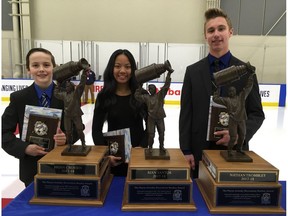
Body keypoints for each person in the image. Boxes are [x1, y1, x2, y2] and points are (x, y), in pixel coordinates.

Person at [179, 8, 265, 178]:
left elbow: (256, 113)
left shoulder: (246, 72)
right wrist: (186, 149)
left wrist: (239, 134)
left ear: (230, 32)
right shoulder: (192, 72)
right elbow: (186, 114)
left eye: (221, 29)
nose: (216, 34)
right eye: (211, 30)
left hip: (233, 153)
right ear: (205, 36)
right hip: (198, 152)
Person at [1, 48, 67, 187]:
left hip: (62, 165)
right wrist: (24, 148)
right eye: (35, 65)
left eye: (46, 65)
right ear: (28, 69)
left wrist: (66, 137)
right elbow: (4, 133)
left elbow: (78, 128)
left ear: (53, 68)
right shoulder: (19, 98)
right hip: (31, 169)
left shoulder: (66, 97)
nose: (41, 69)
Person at [92, 49, 147, 176]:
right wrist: (105, 156)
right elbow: (96, 130)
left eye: (127, 67)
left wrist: (142, 147)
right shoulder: (104, 96)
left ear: (133, 70)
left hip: (137, 159)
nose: (122, 71)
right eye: (117, 66)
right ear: (111, 68)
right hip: (113, 159)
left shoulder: (142, 95)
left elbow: (151, 127)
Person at [213, 72, 255, 156]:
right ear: (228, 93)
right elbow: (215, 99)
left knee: (242, 136)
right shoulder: (226, 100)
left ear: (235, 91)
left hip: (241, 120)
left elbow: (248, 87)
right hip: (233, 121)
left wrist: (251, 76)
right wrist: (217, 88)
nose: (231, 92)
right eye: (230, 91)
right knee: (233, 137)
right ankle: (229, 150)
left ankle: (239, 149)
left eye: (233, 91)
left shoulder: (241, 97)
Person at [134, 71, 173, 152]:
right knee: (151, 135)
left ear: (155, 89)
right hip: (151, 119)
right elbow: (137, 96)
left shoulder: (160, 95)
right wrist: (139, 87)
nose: (151, 90)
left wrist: (169, 74)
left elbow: (166, 86)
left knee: (161, 134)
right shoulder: (146, 97)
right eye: (149, 89)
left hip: (160, 118)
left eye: (152, 88)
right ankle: (150, 147)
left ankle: (161, 146)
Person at [54, 71, 88, 150]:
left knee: (79, 130)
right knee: (68, 131)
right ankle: (69, 144)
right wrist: (58, 84)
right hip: (67, 115)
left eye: (68, 86)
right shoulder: (64, 94)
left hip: (76, 114)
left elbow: (82, 84)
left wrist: (84, 74)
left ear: (72, 87)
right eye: (66, 87)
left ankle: (83, 143)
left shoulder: (76, 93)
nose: (66, 88)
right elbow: (56, 93)